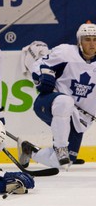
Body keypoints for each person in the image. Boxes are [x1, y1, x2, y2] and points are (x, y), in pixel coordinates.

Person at [18, 22, 96, 169]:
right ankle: (60, 147)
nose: (92, 44)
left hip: (80, 119)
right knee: (66, 102)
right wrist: (41, 78)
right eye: (87, 39)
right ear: (79, 41)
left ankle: (29, 151)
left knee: (63, 163)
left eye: (95, 39)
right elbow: (37, 65)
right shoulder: (65, 53)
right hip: (51, 103)